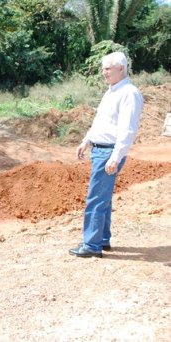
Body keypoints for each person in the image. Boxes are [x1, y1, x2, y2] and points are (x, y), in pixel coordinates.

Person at [69, 51, 144, 258]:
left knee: (95, 199)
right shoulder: (111, 92)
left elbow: (127, 129)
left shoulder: (129, 93)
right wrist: (86, 141)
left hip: (109, 152)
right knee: (103, 199)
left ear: (121, 68)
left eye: (108, 69)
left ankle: (91, 245)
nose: (104, 73)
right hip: (99, 149)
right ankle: (102, 239)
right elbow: (101, 122)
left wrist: (116, 157)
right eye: (103, 69)